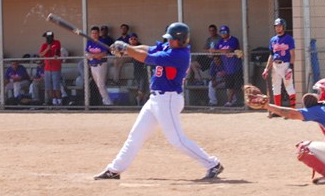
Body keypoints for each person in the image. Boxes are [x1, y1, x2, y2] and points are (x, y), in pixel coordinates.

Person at [94, 22, 224, 180]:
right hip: (156, 99)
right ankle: (114, 170)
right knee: (136, 135)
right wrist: (126, 47)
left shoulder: (179, 55)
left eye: (172, 39)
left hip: (168, 99)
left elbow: (148, 58)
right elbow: (146, 49)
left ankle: (213, 164)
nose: (168, 41)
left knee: (177, 140)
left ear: (182, 40)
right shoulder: (169, 47)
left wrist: (127, 49)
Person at [262, 18, 296, 108]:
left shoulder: (289, 39)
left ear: (283, 27)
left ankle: (293, 110)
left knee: (289, 87)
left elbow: (293, 55)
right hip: (275, 65)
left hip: (285, 64)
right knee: (276, 88)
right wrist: (266, 69)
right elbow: (271, 55)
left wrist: (290, 68)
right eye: (276, 26)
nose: (278, 28)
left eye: (280, 26)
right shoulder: (273, 39)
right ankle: (278, 110)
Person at [210, 25, 242, 107]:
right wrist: (213, 50)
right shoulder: (220, 42)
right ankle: (229, 102)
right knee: (230, 86)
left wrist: (217, 50)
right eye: (221, 32)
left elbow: (229, 50)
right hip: (228, 69)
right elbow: (215, 51)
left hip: (236, 67)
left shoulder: (233, 40)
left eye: (225, 31)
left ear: (228, 32)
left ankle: (246, 101)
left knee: (240, 85)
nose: (223, 33)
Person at [86, 26, 113, 106]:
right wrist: (95, 55)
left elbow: (104, 53)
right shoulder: (89, 42)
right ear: (90, 34)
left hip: (101, 65)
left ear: (99, 34)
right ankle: (105, 101)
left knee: (101, 85)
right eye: (93, 33)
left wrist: (92, 55)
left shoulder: (101, 41)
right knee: (99, 86)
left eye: (96, 33)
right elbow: (86, 53)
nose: (94, 35)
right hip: (93, 65)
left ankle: (108, 103)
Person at [40, 31, 63, 106]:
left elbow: (57, 50)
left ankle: (59, 101)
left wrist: (55, 55)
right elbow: (41, 55)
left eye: (49, 37)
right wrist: (47, 49)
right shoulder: (44, 45)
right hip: (47, 68)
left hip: (55, 68)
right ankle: (54, 101)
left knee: (56, 86)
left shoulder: (57, 42)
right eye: (46, 37)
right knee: (49, 87)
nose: (47, 39)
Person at [128, 33, 150, 105]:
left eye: (135, 39)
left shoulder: (139, 46)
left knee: (145, 89)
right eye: (132, 39)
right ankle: (139, 101)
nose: (133, 40)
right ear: (129, 40)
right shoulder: (128, 47)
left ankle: (143, 103)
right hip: (137, 70)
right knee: (140, 88)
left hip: (144, 69)